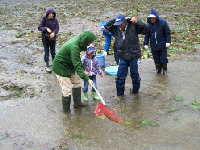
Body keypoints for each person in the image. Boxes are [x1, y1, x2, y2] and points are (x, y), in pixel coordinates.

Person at [51, 30, 97, 112]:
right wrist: (87, 79)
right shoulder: (74, 47)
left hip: (69, 65)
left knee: (77, 82)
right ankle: (66, 110)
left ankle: (77, 103)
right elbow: (76, 65)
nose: (89, 45)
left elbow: (77, 61)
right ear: (85, 41)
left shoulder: (78, 43)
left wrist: (83, 70)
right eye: (89, 43)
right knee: (67, 89)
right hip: (61, 67)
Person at [104, 14, 149, 96]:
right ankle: (120, 95)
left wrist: (137, 22)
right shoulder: (116, 28)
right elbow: (107, 25)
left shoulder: (133, 26)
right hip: (122, 56)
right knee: (120, 78)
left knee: (135, 76)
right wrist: (117, 19)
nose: (120, 26)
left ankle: (135, 93)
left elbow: (146, 30)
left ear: (125, 22)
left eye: (121, 24)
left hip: (134, 55)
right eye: (118, 24)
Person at [143, 9, 171, 75]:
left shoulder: (163, 22)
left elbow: (167, 33)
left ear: (156, 17)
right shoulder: (149, 25)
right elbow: (147, 35)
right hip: (153, 45)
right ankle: (158, 71)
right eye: (150, 18)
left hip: (162, 45)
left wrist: (168, 42)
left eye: (153, 18)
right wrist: (145, 43)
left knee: (163, 59)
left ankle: (165, 72)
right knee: (156, 59)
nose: (152, 19)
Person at [38, 7, 59, 73]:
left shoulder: (55, 20)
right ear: (47, 14)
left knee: (53, 52)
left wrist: (54, 33)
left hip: (53, 39)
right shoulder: (43, 19)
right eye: (50, 14)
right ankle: (47, 66)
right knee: (46, 53)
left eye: (52, 14)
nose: (51, 15)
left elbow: (57, 28)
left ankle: (55, 66)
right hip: (45, 39)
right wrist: (46, 28)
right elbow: (39, 27)